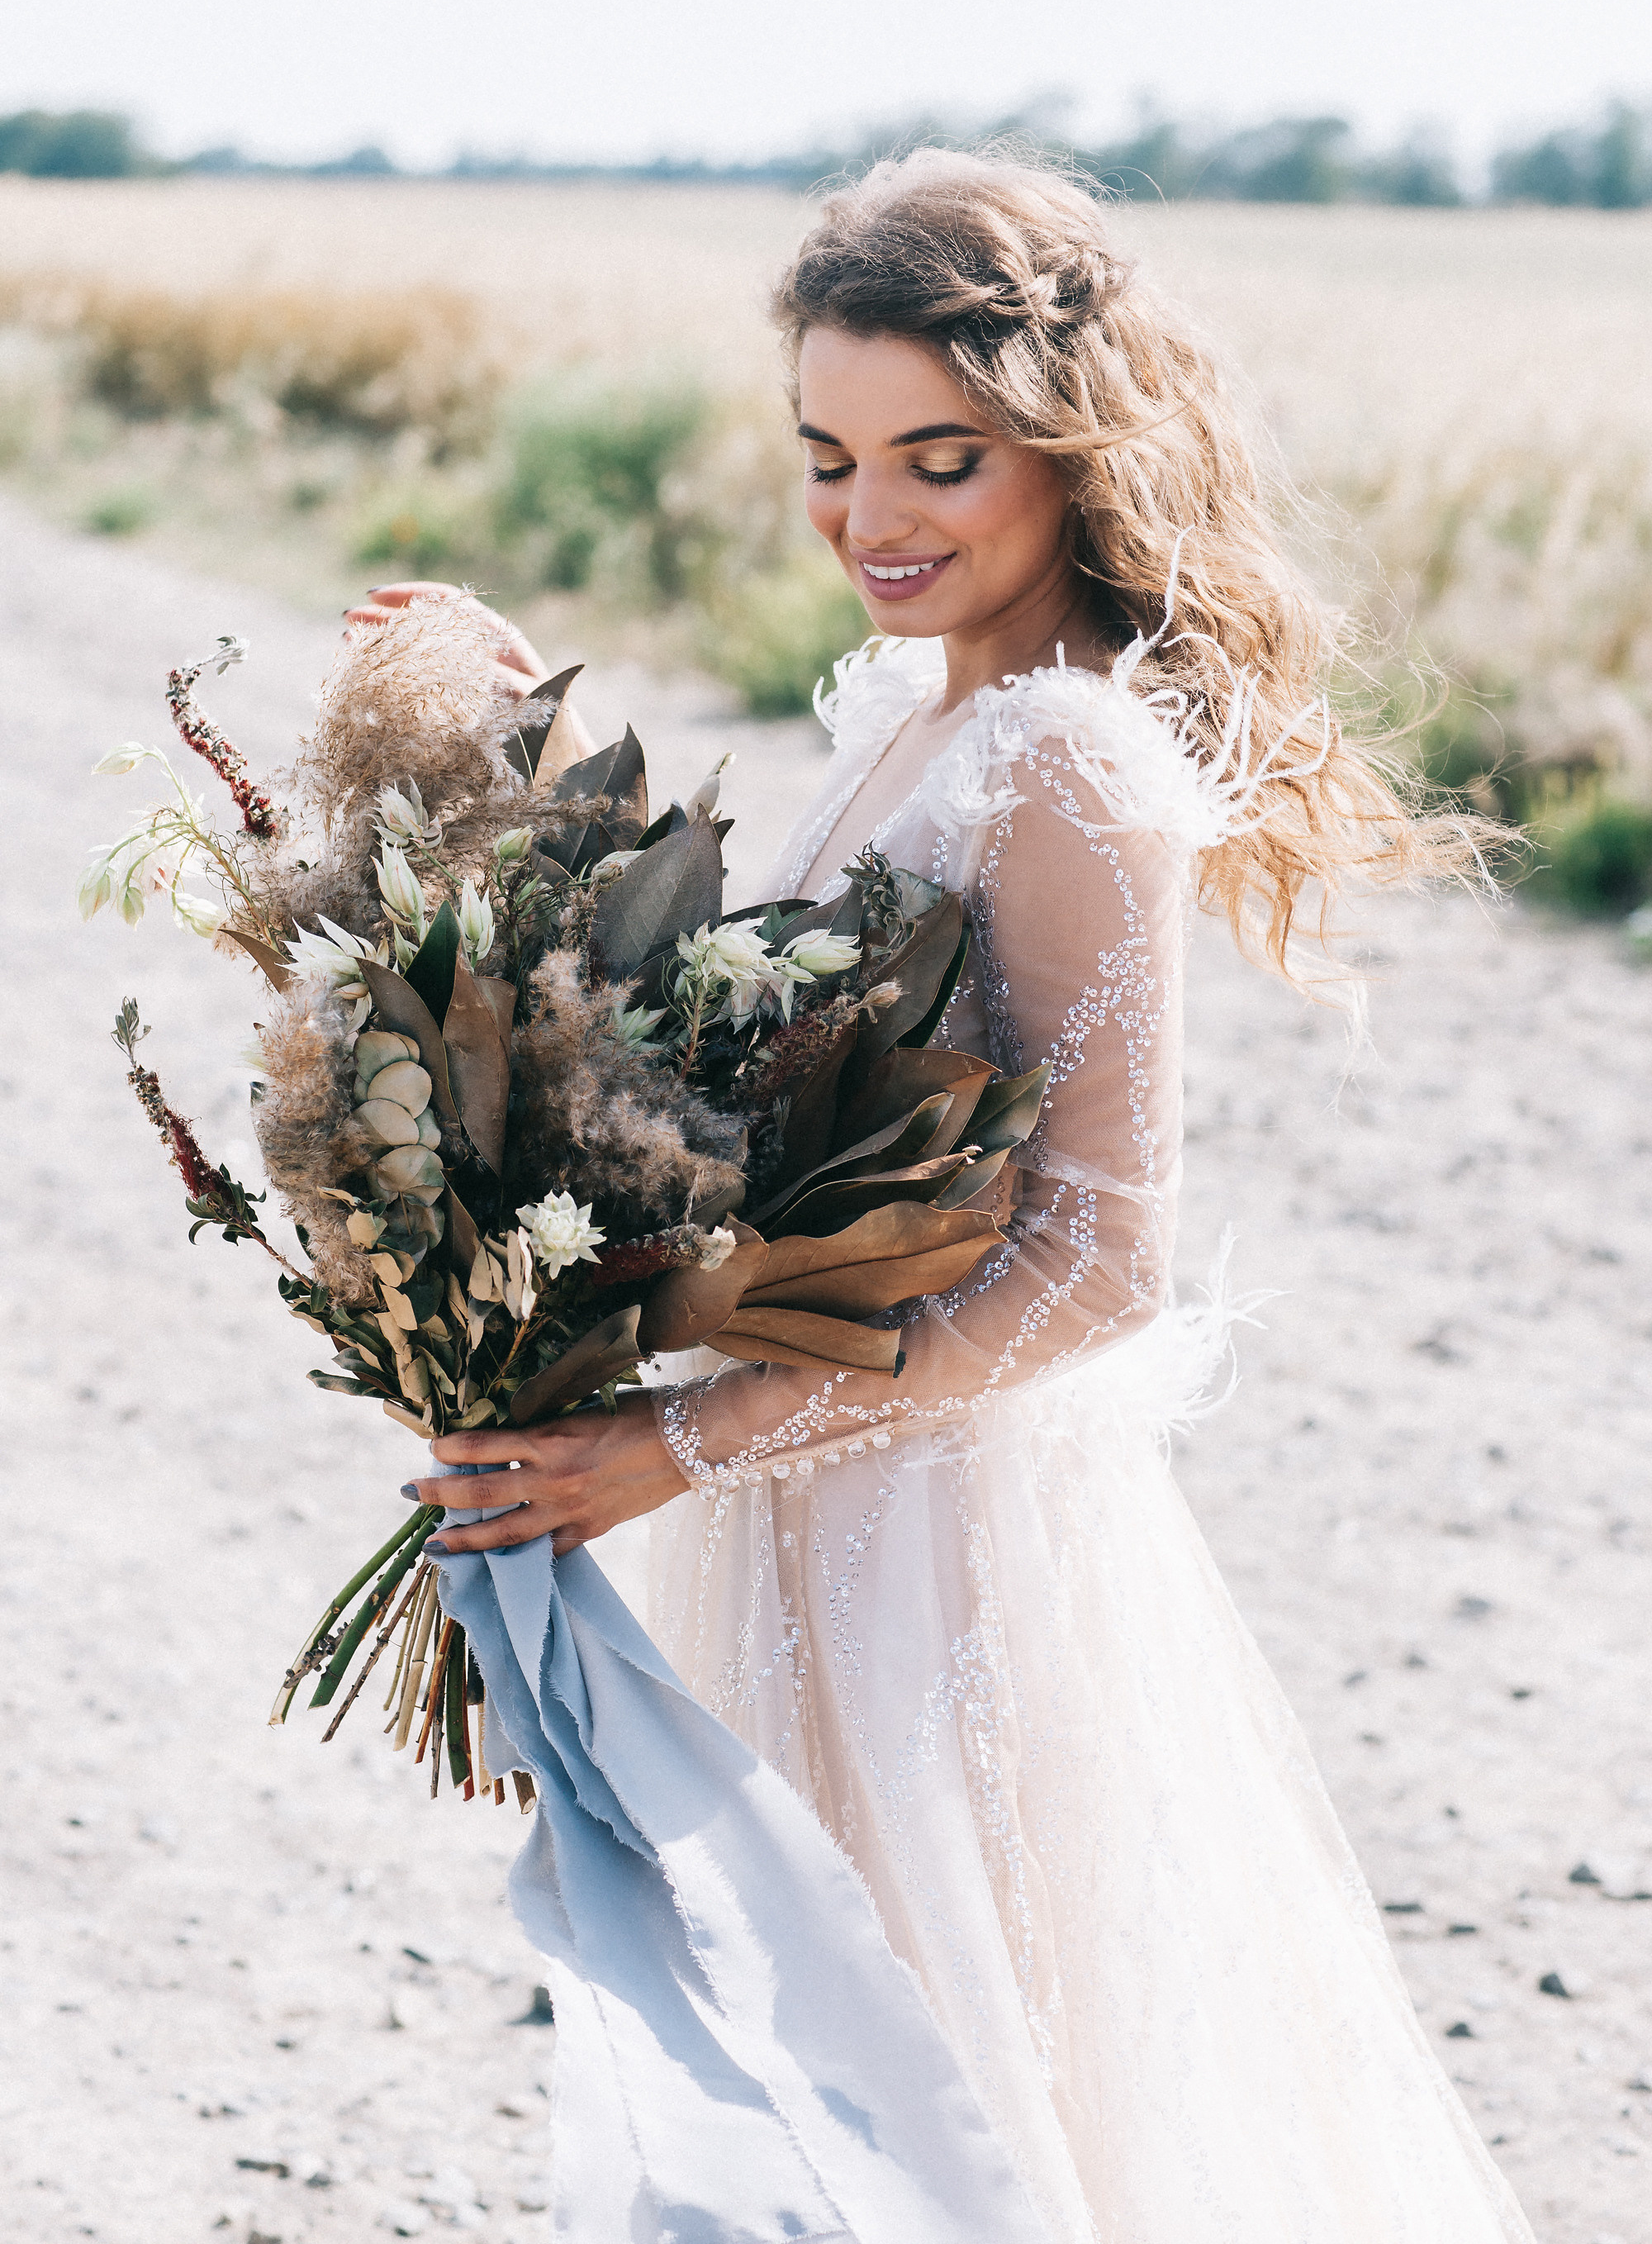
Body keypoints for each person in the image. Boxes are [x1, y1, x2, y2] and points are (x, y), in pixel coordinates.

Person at [354, 151, 1535, 2239]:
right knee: (830, 2083)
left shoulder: (1062, 759)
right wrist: (504, 769)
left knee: (949, 2092)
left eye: (937, 458)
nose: (870, 520)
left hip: (949, 1545)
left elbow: (1094, 1268)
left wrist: (672, 1447)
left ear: (1072, 450)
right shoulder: (913, 707)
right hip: (820, 1499)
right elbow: (733, 1041)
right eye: (827, 457)